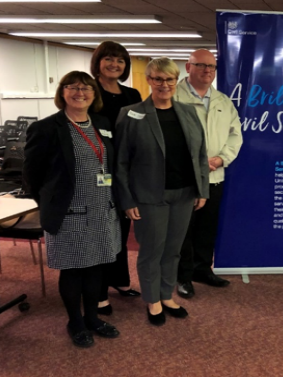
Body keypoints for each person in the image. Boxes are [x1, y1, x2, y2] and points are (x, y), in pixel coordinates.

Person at [24, 71, 121, 348]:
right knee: (73, 269)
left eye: (87, 88)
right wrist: (51, 204)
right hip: (70, 213)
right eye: (73, 87)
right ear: (62, 92)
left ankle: (92, 318)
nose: (81, 92)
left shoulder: (102, 123)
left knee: (96, 268)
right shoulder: (46, 128)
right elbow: (31, 175)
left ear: (94, 94)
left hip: (103, 209)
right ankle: (75, 321)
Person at [114, 57, 209, 326]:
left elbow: (199, 154)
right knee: (151, 251)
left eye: (169, 79)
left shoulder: (188, 112)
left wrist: (201, 189)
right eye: (158, 79)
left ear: (175, 81)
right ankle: (152, 299)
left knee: (173, 250)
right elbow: (121, 161)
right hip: (149, 196)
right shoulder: (132, 113)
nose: (164, 84)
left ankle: (166, 295)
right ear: (149, 80)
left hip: (184, 193)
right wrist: (126, 198)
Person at [175, 49, 243, 298]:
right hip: (183, 179)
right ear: (188, 67)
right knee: (184, 231)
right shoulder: (172, 97)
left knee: (207, 228)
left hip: (214, 175)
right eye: (201, 65)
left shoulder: (223, 101)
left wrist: (220, 159)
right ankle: (182, 276)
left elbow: (236, 135)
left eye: (212, 67)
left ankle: (202, 269)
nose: (207, 71)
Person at [91, 41, 143, 315]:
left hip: (124, 170)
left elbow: (138, 129)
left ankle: (120, 280)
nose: (115, 64)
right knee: (103, 230)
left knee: (122, 228)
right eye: (109, 59)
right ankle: (99, 292)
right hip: (99, 171)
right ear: (98, 61)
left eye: (120, 60)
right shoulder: (90, 91)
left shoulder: (132, 93)